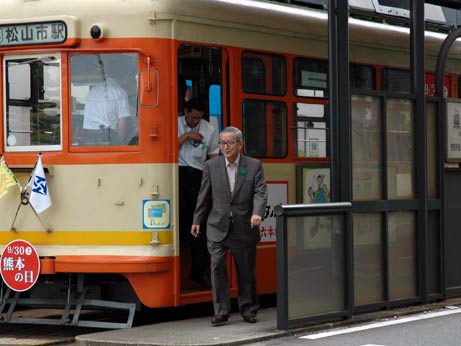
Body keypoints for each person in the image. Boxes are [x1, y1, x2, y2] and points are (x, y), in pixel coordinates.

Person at [191, 126, 268, 325]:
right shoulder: (211, 166)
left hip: (244, 227)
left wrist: (257, 213)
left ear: (240, 145)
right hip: (217, 226)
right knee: (216, 268)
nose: (225, 147)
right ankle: (221, 311)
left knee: (245, 271)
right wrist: (197, 220)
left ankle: (248, 309)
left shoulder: (253, 165)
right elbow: (204, 195)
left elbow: (260, 192)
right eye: (222, 143)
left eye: (230, 143)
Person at [178, 98, 219, 288]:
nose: (196, 121)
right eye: (193, 117)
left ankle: (199, 271)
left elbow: (213, 156)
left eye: (199, 118)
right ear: (186, 112)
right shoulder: (175, 124)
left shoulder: (209, 130)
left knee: (198, 225)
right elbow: (164, 150)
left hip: (199, 176)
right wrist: (187, 136)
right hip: (176, 174)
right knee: (180, 220)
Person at [81, 77, 131, 145]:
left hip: (88, 135)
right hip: (108, 136)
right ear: (125, 77)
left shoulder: (93, 90)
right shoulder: (120, 92)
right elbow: (122, 126)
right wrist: (120, 144)